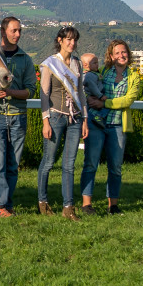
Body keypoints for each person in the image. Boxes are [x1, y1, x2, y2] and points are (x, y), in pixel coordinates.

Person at [0, 16, 37, 217]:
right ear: (3, 32)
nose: (18, 34)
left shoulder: (25, 59)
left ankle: (7, 203)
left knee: (13, 164)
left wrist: (11, 93)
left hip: (18, 115)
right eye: (14, 30)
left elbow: (31, 91)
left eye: (19, 30)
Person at [83, 40, 142, 216]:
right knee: (90, 163)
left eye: (123, 52)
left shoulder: (134, 76)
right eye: (117, 53)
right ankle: (87, 204)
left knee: (115, 167)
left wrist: (104, 103)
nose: (121, 55)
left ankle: (113, 205)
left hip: (117, 125)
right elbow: (87, 88)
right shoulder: (102, 72)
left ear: (128, 54)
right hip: (96, 124)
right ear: (111, 56)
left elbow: (128, 100)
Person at [37, 26, 88, 221]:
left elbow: (81, 93)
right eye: (68, 39)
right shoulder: (50, 64)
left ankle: (68, 207)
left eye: (74, 39)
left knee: (69, 164)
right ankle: (42, 201)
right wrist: (45, 121)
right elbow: (44, 95)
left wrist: (85, 119)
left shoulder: (77, 63)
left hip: (75, 119)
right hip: (55, 116)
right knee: (48, 162)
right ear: (60, 40)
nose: (71, 43)